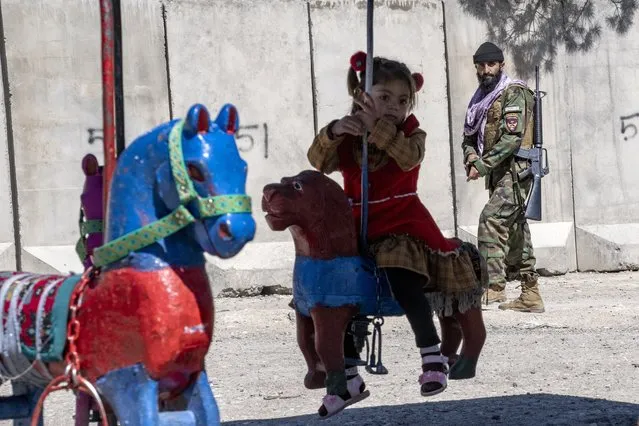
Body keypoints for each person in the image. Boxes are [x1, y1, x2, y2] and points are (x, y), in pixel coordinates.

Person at [307, 51, 481, 411]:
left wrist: (378, 127)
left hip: (401, 222)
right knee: (337, 292)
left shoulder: (412, 133)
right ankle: (348, 378)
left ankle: (431, 355)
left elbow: (407, 157)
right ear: (361, 95)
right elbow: (318, 162)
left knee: (402, 277)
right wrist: (336, 130)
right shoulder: (349, 135)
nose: (394, 107)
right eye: (383, 98)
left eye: (402, 100)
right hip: (356, 225)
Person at [461, 41, 545, 313]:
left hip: (516, 171)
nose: (486, 70)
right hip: (498, 173)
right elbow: (469, 138)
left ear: (501, 65)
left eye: (491, 64)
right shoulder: (479, 100)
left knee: (491, 219)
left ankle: (494, 287)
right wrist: (471, 157)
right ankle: (530, 294)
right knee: (516, 228)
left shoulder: (513, 92)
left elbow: (512, 139)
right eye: (481, 65)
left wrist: (482, 165)